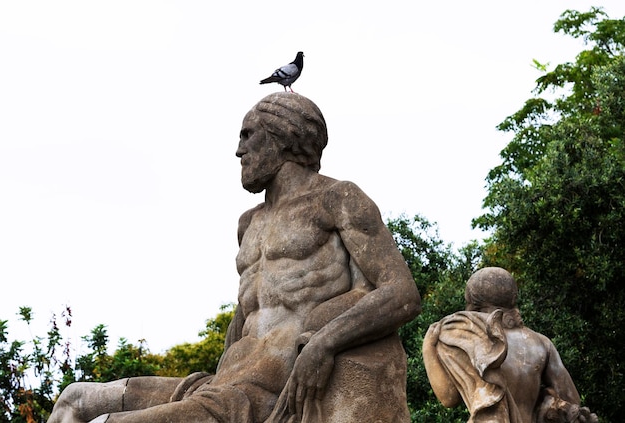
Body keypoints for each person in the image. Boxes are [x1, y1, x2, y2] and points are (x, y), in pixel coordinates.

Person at [48, 92, 421, 423]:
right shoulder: (249, 224)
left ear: (283, 137)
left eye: (247, 136)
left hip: (264, 393)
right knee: (74, 400)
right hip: (221, 383)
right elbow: (245, 317)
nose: (238, 151)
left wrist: (324, 343)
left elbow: (402, 293)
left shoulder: (338, 200)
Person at [422, 267, 597, 423]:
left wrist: (428, 348)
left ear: (472, 300)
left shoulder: (468, 337)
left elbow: (448, 398)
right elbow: (571, 397)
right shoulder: (541, 343)